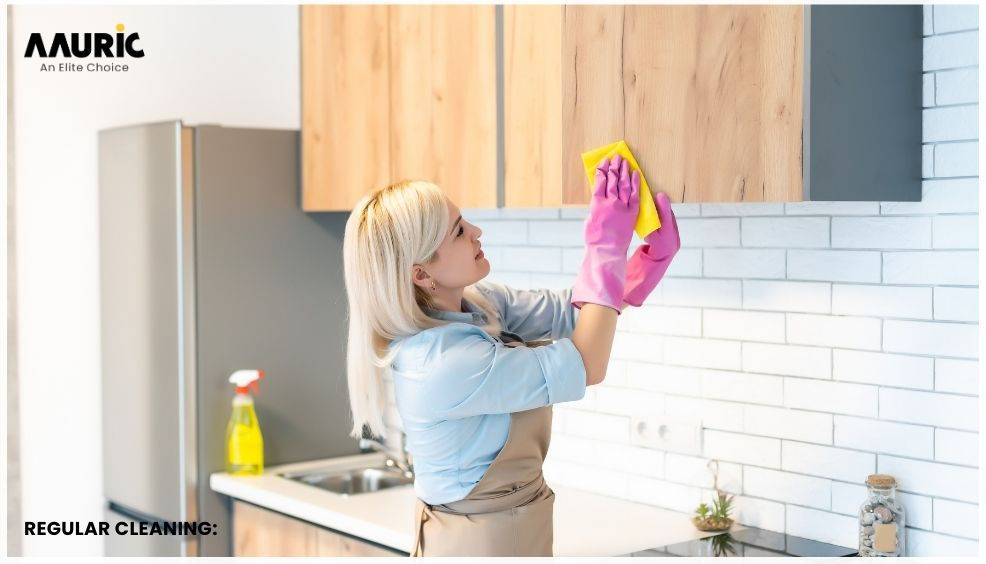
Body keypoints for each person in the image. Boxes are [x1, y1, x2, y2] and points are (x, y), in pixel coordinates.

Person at [342, 154, 680, 557]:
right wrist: (605, 246)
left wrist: (642, 266)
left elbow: (573, 314)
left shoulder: (476, 302)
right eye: (459, 232)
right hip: (479, 542)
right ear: (421, 274)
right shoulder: (440, 364)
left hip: (517, 521)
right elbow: (587, 363)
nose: (477, 231)